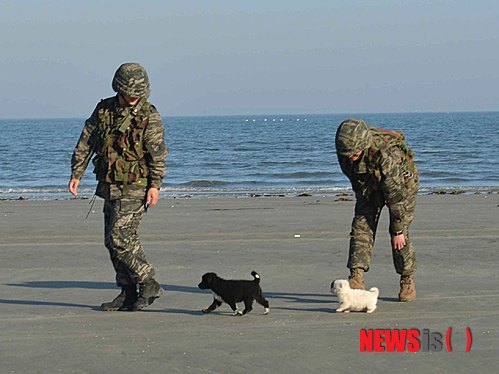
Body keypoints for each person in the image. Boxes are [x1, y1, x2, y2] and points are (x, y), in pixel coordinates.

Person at [69, 62, 168, 311]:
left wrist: (155, 185)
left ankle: (148, 281)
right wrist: (77, 173)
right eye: (130, 92)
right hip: (109, 185)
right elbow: (87, 141)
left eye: (138, 92)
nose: (134, 97)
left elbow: (157, 154)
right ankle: (127, 292)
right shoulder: (104, 110)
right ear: (119, 87)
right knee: (113, 241)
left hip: (136, 186)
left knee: (119, 239)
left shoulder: (149, 115)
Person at [335, 118, 419, 302]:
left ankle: (407, 280)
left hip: (401, 185)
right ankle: (356, 276)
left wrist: (397, 230)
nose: (350, 157)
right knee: (361, 226)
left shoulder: (386, 155)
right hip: (369, 185)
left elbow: (395, 196)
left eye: (354, 153)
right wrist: (364, 202)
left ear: (363, 146)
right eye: (347, 153)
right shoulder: (345, 151)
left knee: (399, 235)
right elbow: (355, 179)